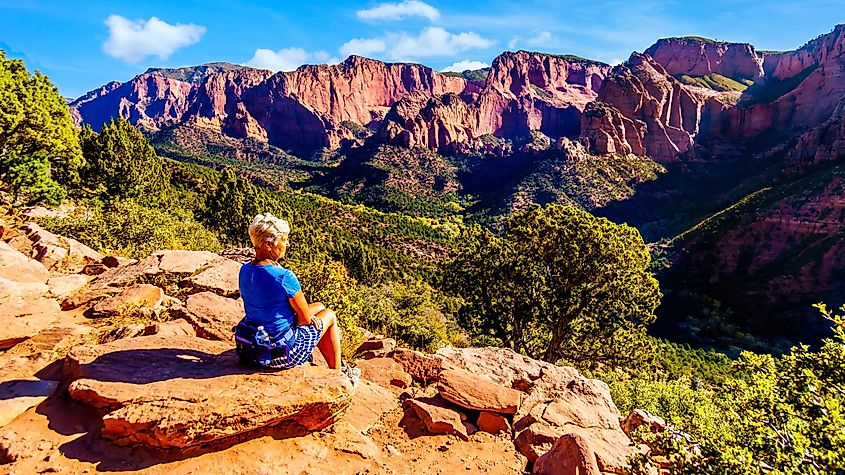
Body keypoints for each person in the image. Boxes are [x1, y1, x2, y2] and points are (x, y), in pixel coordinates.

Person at [234, 213, 359, 384]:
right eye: (283, 240)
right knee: (329, 314)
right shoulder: (284, 276)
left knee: (319, 306)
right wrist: (307, 318)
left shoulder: (245, 270)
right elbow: (305, 319)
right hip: (281, 353)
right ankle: (337, 376)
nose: (287, 244)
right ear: (269, 244)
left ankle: (335, 369)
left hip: (250, 348)